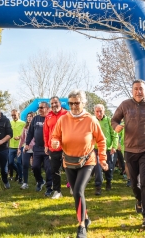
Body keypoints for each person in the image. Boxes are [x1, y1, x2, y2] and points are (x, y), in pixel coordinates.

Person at [51, 89, 107, 238]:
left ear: (84, 103)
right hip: (69, 161)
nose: (74, 106)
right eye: (71, 103)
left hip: (87, 161)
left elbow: (101, 140)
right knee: (77, 194)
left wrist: (103, 158)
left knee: (78, 191)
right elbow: (54, 136)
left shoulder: (91, 120)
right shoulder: (63, 119)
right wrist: (55, 142)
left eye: (77, 103)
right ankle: (86, 217)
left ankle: (81, 226)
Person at [112, 79, 145, 229]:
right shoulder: (125, 105)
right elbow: (114, 120)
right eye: (136, 89)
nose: (138, 91)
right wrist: (116, 126)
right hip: (129, 149)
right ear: (132, 90)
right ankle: (139, 200)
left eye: (141, 89)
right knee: (134, 183)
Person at [44, 96, 67, 198]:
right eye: (52, 103)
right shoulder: (48, 116)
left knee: (69, 169)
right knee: (55, 170)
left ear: (60, 103)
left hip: (66, 147)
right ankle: (57, 191)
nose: (54, 105)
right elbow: (45, 132)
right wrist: (46, 145)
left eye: (55, 103)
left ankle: (74, 187)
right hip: (53, 148)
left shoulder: (67, 114)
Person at [26, 102, 52, 193]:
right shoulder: (35, 119)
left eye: (42, 107)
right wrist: (27, 143)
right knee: (35, 166)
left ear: (48, 108)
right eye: (38, 107)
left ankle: (49, 188)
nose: (39, 109)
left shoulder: (50, 118)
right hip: (37, 148)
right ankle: (40, 181)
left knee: (48, 168)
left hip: (48, 149)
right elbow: (30, 132)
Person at [93, 104, 118, 194]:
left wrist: (114, 147)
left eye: (101, 111)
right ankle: (98, 186)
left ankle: (108, 182)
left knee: (108, 167)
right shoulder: (92, 121)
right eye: (97, 111)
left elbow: (114, 135)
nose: (99, 113)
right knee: (98, 167)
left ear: (104, 111)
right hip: (96, 149)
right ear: (94, 112)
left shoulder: (109, 121)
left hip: (108, 149)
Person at [18, 112, 35, 190]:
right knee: (25, 165)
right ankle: (25, 183)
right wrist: (19, 148)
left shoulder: (37, 126)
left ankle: (39, 180)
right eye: (28, 116)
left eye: (31, 116)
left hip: (35, 148)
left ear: (34, 117)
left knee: (35, 166)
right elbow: (22, 138)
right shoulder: (25, 127)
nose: (29, 118)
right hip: (26, 148)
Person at [8, 109, 25, 184]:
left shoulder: (23, 123)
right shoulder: (10, 123)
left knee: (18, 162)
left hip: (20, 146)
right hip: (11, 146)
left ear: (18, 114)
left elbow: (25, 134)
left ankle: (21, 178)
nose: (13, 116)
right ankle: (19, 172)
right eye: (12, 115)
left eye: (14, 115)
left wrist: (19, 137)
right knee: (10, 163)